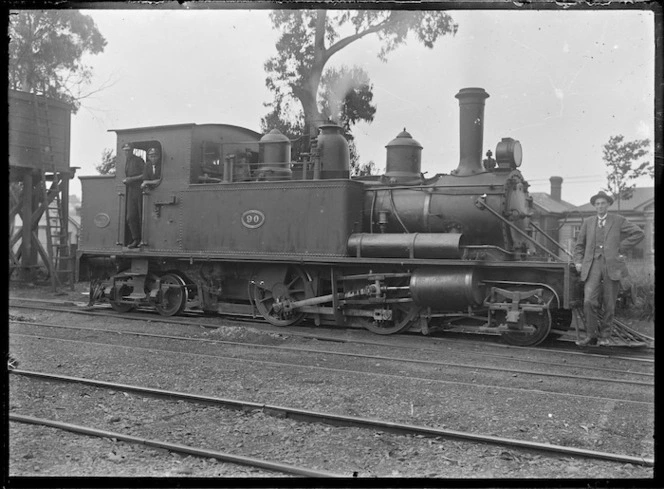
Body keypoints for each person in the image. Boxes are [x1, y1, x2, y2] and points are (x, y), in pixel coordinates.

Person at [573, 190, 644, 347]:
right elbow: (579, 245)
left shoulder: (618, 220)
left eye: (603, 203)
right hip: (592, 266)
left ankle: (605, 336)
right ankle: (591, 336)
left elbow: (639, 233)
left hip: (612, 266)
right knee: (588, 301)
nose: (600, 206)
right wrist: (578, 261)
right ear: (594, 206)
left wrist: (620, 248)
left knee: (609, 304)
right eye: (597, 204)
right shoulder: (588, 222)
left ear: (608, 205)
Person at [121, 142, 145, 248]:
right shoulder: (125, 162)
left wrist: (131, 179)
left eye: (128, 150)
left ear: (132, 150)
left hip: (139, 189)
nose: (127, 152)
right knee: (130, 216)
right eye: (125, 150)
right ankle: (136, 238)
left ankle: (141, 240)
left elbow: (145, 174)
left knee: (140, 215)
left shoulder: (138, 160)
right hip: (130, 190)